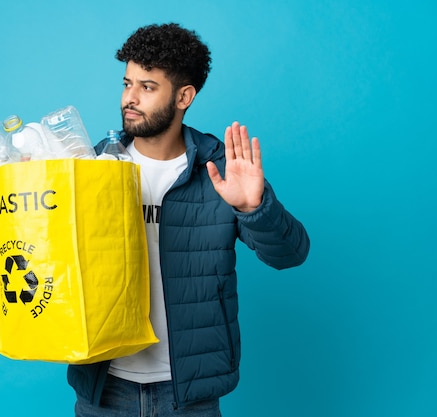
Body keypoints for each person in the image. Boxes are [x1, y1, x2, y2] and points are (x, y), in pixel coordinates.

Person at [68, 23, 310, 416]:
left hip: (188, 396)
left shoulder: (218, 168)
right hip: (104, 389)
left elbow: (290, 253)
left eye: (147, 87)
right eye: (127, 83)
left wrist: (253, 208)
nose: (130, 98)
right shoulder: (91, 168)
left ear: (184, 96)